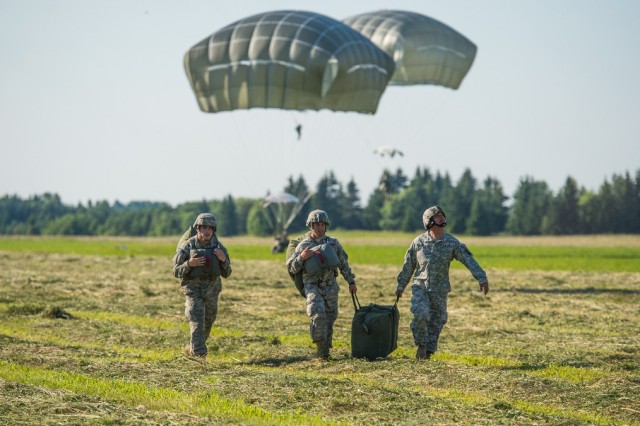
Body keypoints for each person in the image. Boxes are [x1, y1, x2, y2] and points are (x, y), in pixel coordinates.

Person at [396, 205, 489, 360]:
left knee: (437, 321)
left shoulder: (452, 243)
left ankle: (429, 352)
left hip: (440, 289)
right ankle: (421, 346)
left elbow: (468, 259)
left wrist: (482, 277)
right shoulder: (418, 242)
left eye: (442, 215)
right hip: (421, 288)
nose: (442, 217)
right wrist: (401, 285)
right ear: (429, 221)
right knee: (421, 315)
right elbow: (408, 265)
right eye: (437, 215)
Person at [286, 209, 357, 358]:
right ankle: (320, 351)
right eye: (317, 224)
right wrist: (301, 258)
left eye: (323, 224)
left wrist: (351, 281)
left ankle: (326, 351)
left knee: (330, 318)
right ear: (311, 225)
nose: (320, 227)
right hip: (312, 286)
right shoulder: (303, 245)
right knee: (318, 316)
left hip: (330, 286)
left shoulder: (333, 243)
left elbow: (343, 264)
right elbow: (292, 267)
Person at [173, 213, 232, 360]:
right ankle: (199, 357)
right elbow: (175, 270)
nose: (208, 231)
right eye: (204, 227)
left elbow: (227, 273)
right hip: (193, 290)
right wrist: (189, 264)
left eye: (211, 228)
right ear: (198, 228)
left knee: (208, 320)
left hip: (212, 290)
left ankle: (193, 348)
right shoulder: (188, 247)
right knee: (197, 322)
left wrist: (223, 259)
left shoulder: (219, 247)